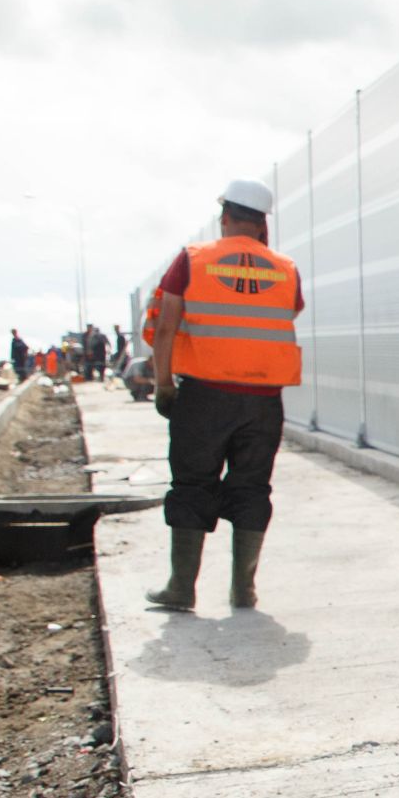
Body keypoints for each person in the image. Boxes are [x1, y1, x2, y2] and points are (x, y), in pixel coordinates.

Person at [142, 178, 304, 612]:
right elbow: (285, 311)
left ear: (225, 217)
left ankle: (181, 589)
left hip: (205, 398)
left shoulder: (194, 259)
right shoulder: (285, 267)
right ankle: (243, 591)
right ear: (262, 223)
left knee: (193, 485)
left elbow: (165, 326)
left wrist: (163, 385)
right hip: (264, 402)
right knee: (252, 488)